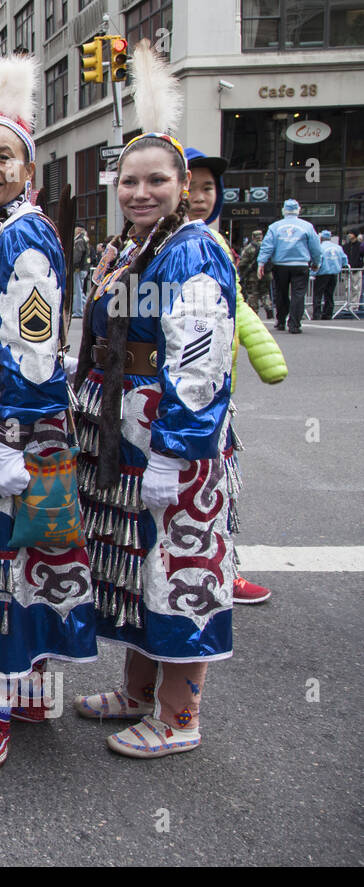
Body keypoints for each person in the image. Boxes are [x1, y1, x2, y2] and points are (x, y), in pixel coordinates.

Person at [70, 42, 237, 758]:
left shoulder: (191, 250)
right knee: (139, 563)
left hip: (173, 436)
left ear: (184, 183)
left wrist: (180, 448)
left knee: (180, 569)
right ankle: (139, 691)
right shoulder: (139, 247)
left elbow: (198, 363)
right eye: (130, 181)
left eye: (156, 181)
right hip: (130, 429)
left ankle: (179, 716)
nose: (140, 192)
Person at [0, 54, 95, 773]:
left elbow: (33, 347)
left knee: (1, 561)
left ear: (27, 169)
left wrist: (13, 436)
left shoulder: (24, 236)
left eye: (5, 157)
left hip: (8, 419)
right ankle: (18, 689)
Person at [185, 148, 285, 606]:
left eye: (208, 188)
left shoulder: (213, 244)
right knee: (202, 491)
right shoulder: (177, 245)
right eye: (192, 187)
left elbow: (235, 308)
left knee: (217, 489)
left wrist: (267, 356)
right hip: (185, 400)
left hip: (214, 397)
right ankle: (214, 572)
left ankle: (223, 569)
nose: (200, 197)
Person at [258, 199, 321, 333]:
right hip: (300, 264)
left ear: (284, 211)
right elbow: (315, 247)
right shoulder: (307, 226)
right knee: (299, 294)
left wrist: (261, 262)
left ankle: (280, 321)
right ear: (298, 210)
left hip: (280, 264)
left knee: (281, 293)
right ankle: (294, 324)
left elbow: (267, 246)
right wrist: (316, 262)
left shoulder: (275, 227)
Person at [312, 230, 347, 321]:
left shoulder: (320, 247)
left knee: (318, 295)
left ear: (321, 238)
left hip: (322, 274)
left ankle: (317, 315)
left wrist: (312, 273)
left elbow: (318, 262)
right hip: (334, 274)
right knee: (329, 295)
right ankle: (328, 314)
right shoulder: (338, 247)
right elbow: (344, 259)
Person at [237, 229, 267, 319]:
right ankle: (268, 308)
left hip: (252, 275)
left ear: (253, 237)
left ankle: (254, 312)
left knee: (253, 293)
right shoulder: (267, 246)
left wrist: (242, 273)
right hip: (266, 274)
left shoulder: (249, 247)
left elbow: (242, 263)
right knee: (265, 292)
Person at [70, 225, 90, 318]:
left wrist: (73, 266)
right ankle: (88, 308)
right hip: (83, 268)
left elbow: (77, 256)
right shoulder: (83, 239)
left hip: (78, 268)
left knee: (77, 291)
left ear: (78, 230)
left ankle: (78, 311)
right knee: (80, 291)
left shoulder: (79, 240)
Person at [344, 231, 363, 309]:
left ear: (355, 235)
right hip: (347, 270)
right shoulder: (346, 246)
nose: (349, 235)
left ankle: (354, 305)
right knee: (347, 287)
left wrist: (360, 265)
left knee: (356, 288)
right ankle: (347, 303)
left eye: (351, 233)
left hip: (356, 269)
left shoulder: (360, 246)